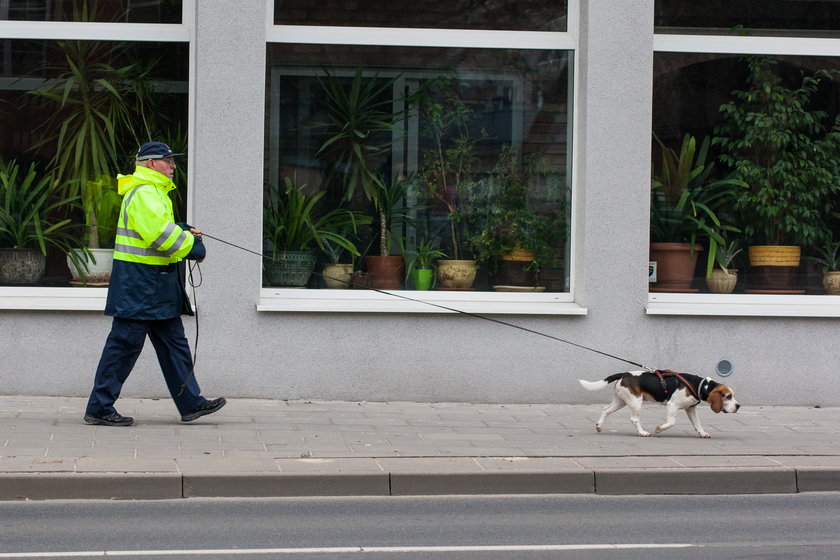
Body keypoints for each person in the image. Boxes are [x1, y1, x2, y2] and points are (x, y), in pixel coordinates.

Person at [84, 141, 226, 426]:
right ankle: (99, 408)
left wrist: (184, 230)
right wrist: (195, 247)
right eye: (168, 160)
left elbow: (160, 228)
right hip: (140, 286)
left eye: (173, 161)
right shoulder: (145, 193)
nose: (173, 166)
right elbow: (161, 236)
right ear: (151, 163)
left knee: (175, 345)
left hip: (152, 286)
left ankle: (191, 404)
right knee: (123, 348)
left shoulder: (153, 193)